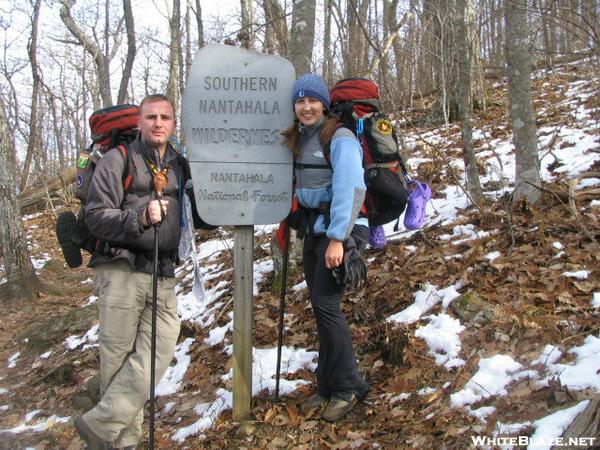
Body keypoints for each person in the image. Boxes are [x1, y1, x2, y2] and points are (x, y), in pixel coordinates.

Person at [74, 94, 202, 449]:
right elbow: (96, 215)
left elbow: (198, 211)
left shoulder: (179, 163)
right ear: (139, 123)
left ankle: (100, 425)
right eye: (151, 117)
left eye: (165, 117)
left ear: (173, 123)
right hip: (121, 270)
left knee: (159, 349)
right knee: (117, 360)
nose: (158, 123)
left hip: (163, 271)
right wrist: (140, 216)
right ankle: (124, 442)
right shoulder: (118, 160)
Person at [282, 74, 370, 422]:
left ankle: (347, 388)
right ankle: (328, 385)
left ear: (324, 104)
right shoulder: (300, 137)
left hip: (340, 233)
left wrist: (337, 238)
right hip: (315, 231)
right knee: (321, 309)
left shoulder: (340, 137)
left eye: (312, 101)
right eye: (300, 101)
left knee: (327, 306)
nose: (306, 107)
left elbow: (351, 189)